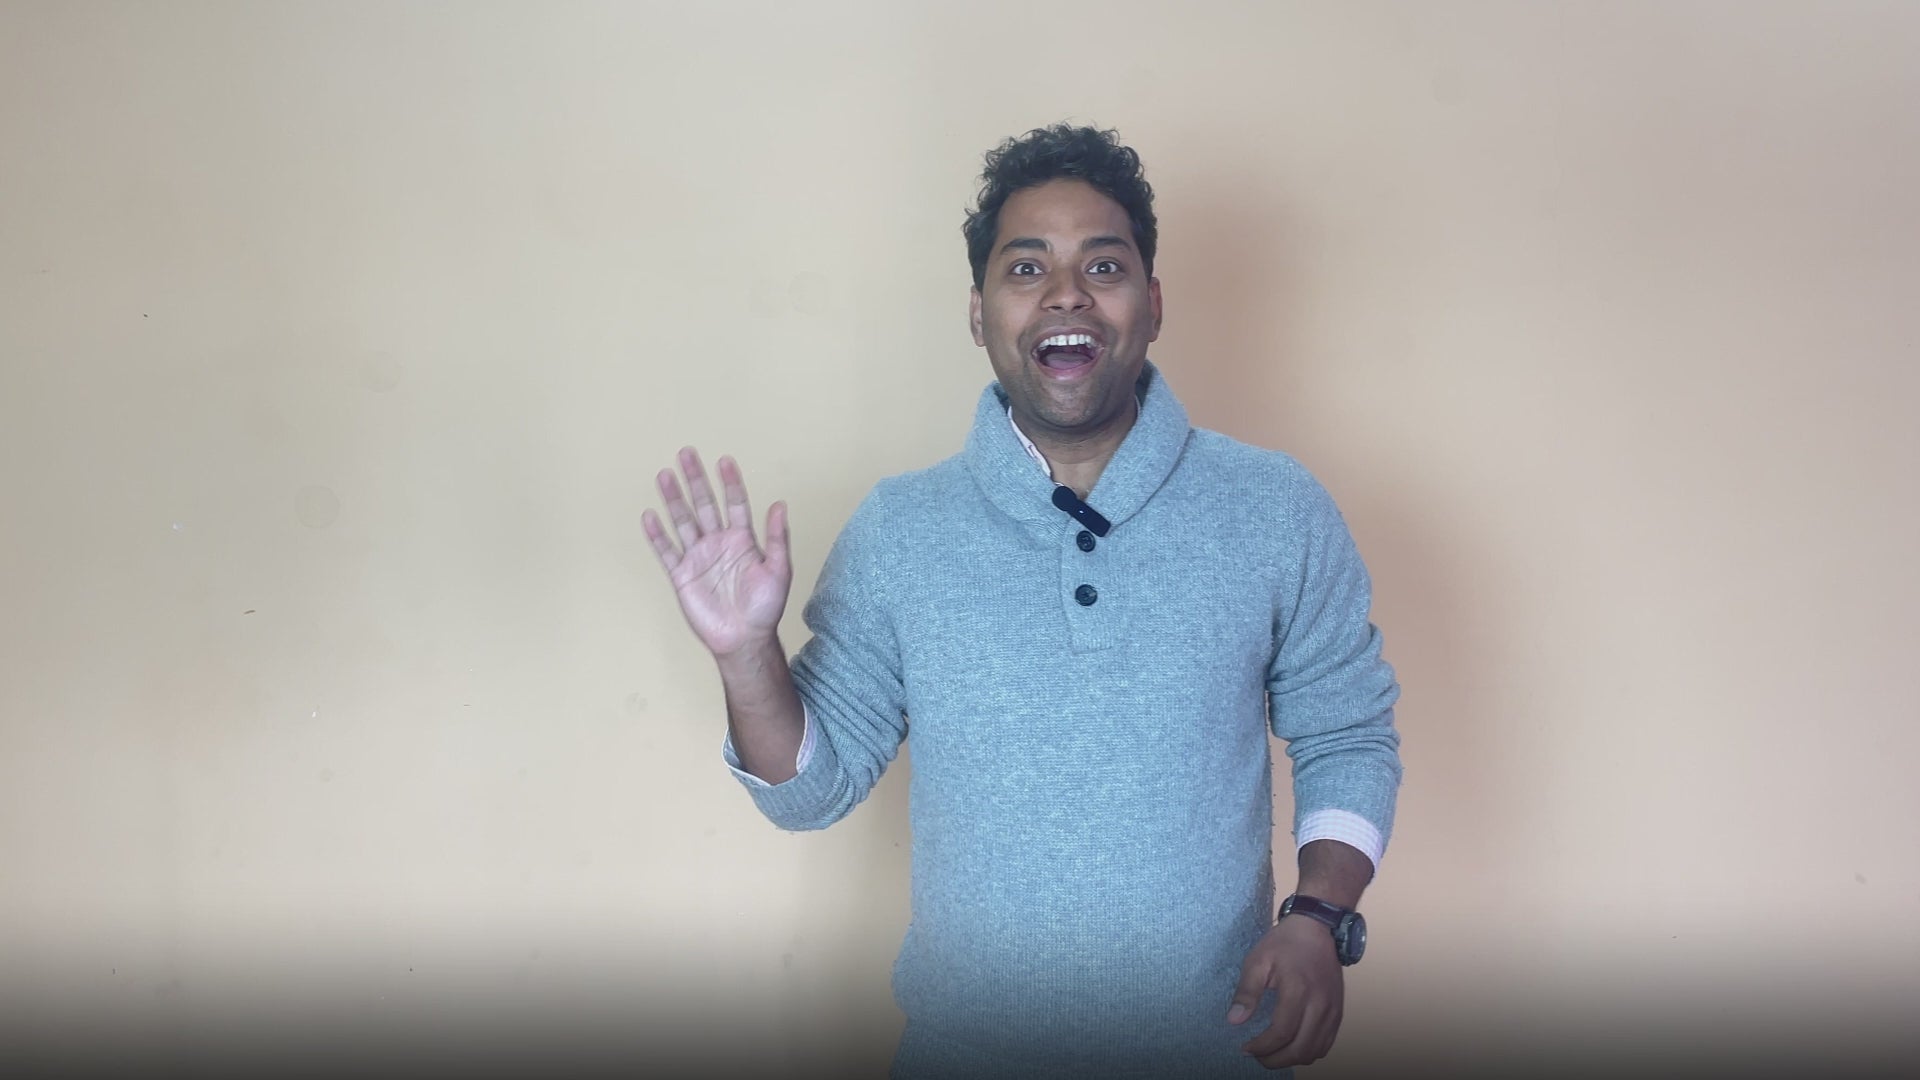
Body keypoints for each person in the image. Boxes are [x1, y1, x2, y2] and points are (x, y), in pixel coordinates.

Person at [641, 124, 1402, 1078]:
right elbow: (809, 794)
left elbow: (1348, 733)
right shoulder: (900, 530)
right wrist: (746, 656)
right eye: (1027, 267)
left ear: (1154, 304)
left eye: (1104, 265)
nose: (1066, 293)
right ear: (978, 313)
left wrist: (1320, 917)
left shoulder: (1275, 507)